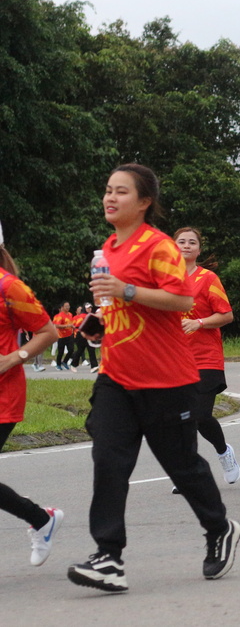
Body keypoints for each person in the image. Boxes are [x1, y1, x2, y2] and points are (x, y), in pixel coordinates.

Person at [68, 164, 239, 593]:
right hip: (116, 376)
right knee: (109, 461)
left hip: (166, 379)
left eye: (121, 191)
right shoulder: (108, 248)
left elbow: (181, 299)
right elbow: (117, 305)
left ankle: (219, 528)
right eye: (108, 190)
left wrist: (126, 290)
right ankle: (108, 556)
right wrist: (99, 322)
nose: (110, 197)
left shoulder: (158, 246)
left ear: (144, 201)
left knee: (182, 466)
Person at [0, 220, 63, 566]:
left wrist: (14, 357)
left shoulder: (9, 287)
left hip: (2, 396)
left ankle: (42, 519)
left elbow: (48, 332)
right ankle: (41, 519)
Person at [173, 227, 240, 490]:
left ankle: (224, 452)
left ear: (199, 250)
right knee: (182, 419)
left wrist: (198, 322)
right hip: (176, 361)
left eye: (192, 242)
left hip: (205, 359)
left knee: (200, 415)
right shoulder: (166, 280)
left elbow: (227, 315)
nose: (186, 246)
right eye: (181, 241)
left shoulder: (208, 278)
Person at [69, 303, 99, 372]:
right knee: (80, 350)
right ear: (85, 309)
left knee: (91, 349)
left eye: (90, 308)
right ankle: (73, 364)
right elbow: (77, 325)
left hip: (89, 334)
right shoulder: (82, 316)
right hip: (81, 334)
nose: (90, 309)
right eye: (88, 308)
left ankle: (94, 366)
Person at [52, 301, 74, 370]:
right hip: (61, 336)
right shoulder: (60, 315)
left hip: (69, 335)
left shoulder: (70, 314)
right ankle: (58, 364)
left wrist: (72, 327)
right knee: (60, 352)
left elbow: (71, 323)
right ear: (62, 307)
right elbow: (57, 325)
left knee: (71, 350)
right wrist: (67, 326)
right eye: (66, 306)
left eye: (68, 306)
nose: (68, 307)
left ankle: (65, 361)